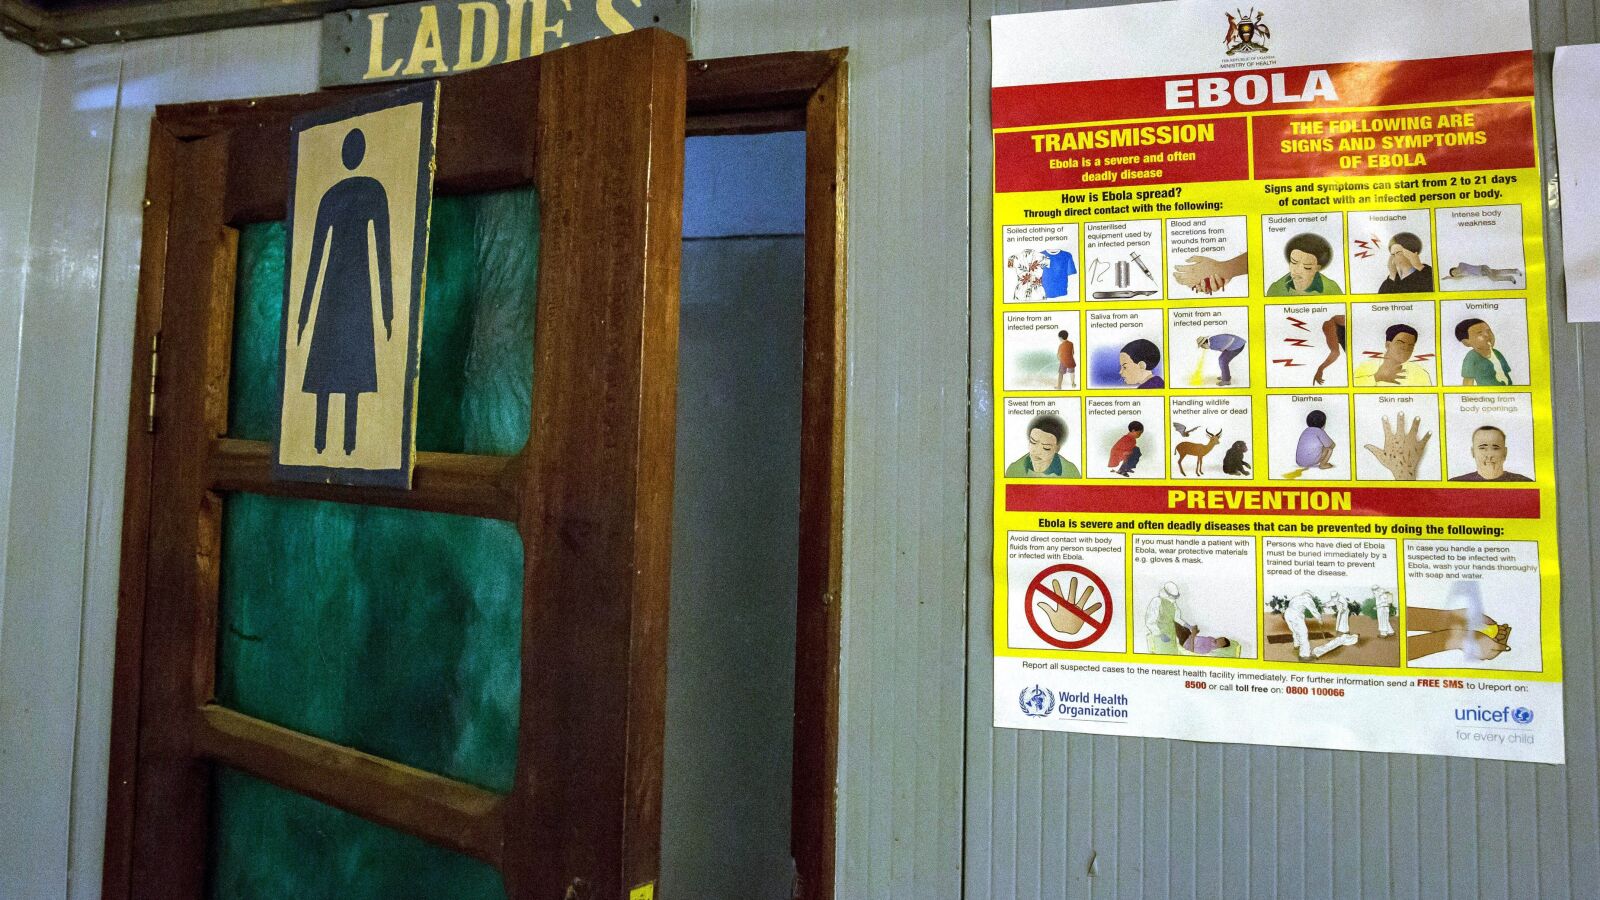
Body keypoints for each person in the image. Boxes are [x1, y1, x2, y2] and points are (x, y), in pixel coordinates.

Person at [294, 128, 395, 456]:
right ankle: (324, 445)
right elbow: (316, 257)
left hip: (349, 287)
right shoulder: (361, 192)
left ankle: (341, 445)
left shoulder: (361, 193)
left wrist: (388, 310)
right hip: (341, 287)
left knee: (347, 367)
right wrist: (303, 315)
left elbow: (382, 253)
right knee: (334, 367)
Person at [1353, 323, 1432, 386]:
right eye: (1400, 343)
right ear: (1388, 345)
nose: (1406, 348)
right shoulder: (1366, 367)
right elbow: (1351, 387)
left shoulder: (1421, 374)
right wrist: (1376, 377)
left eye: (1411, 346)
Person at [1004, 413, 1082, 478]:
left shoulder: (1071, 472)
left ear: (1057, 449)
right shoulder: (1013, 469)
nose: (1037, 452)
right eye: (1033, 442)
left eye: (1046, 448)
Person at [1266, 233, 1343, 296]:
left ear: (1317, 268)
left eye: (1307, 267)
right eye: (1294, 262)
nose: (1297, 271)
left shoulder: (1332, 289)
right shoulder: (1275, 289)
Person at [1448, 425, 1532, 482]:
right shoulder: (1456, 483)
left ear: (1505, 452)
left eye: (1495, 448)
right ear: (1473, 452)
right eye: (1482, 448)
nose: (1489, 455)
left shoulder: (1524, 482)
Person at [1455, 318, 1513, 386]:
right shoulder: (1471, 357)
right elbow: (1468, 382)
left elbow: (1506, 374)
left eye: (1488, 331)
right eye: (1479, 333)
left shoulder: (1497, 353)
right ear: (1466, 342)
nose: (1487, 335)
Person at [1312, 313, 1346, 385]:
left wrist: (1320, 369)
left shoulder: (1333, 322)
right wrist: (1320, 369)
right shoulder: (1330, 324)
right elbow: (1335, 352)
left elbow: (1335, 352)